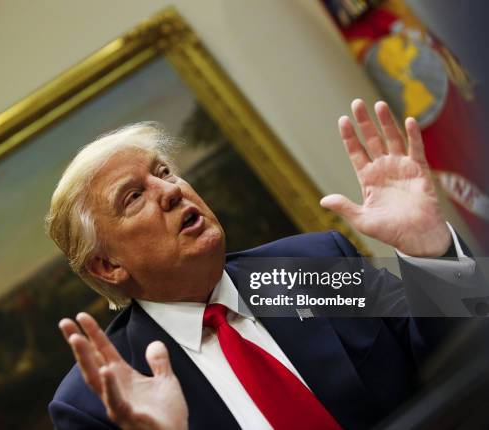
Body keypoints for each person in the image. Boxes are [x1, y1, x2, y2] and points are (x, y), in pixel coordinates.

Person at [45, 99, 481, 429]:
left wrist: (431, 253)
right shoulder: (95, 401)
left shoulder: (316, 265)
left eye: (165, 172)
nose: (171, 190)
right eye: (134, 196)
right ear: (107, 266)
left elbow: (466, 351)